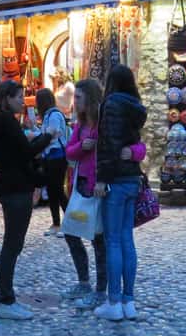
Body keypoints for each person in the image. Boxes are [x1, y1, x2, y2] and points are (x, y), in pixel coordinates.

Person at [61, 78, 147, 310]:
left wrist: (133, 153)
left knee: (101, 241)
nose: (74, 101)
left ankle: (101, 290)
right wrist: (82, 147)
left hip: (101, 188)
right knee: (71, 231)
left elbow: (139, 147)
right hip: (81, 188)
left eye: (78, 97)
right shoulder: (80, 125)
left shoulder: (106, 123)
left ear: (89, 98)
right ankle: (84, 281)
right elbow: (69, 151)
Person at [0, 80, 53, 320]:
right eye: (18, 97)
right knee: (12, 244)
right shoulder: (5, 121)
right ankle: (6, 299)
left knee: (13, 244)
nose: (21, 101)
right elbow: (25, 152)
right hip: (15, 188)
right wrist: (47, 138)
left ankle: (6, 296)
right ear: (6, 98)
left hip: (11, 185)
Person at [95, 64, 147, 322]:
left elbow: (107, 145)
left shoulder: (111, 105)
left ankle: (113, 302)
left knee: (113, 240)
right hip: (132, 179)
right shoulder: (135, 108)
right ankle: (129, 301)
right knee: (126, 239)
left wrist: (101, 179)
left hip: (115, 179)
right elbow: (133, 144)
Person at [36, 88, 71, 237]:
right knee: (52, 191)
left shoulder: (54, 115)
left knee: (57, 190)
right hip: (49, 157)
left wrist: (39, 137)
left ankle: (69, 223)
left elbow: (53, 134)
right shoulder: (48, 116)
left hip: (57, 157)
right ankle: (56, 223)